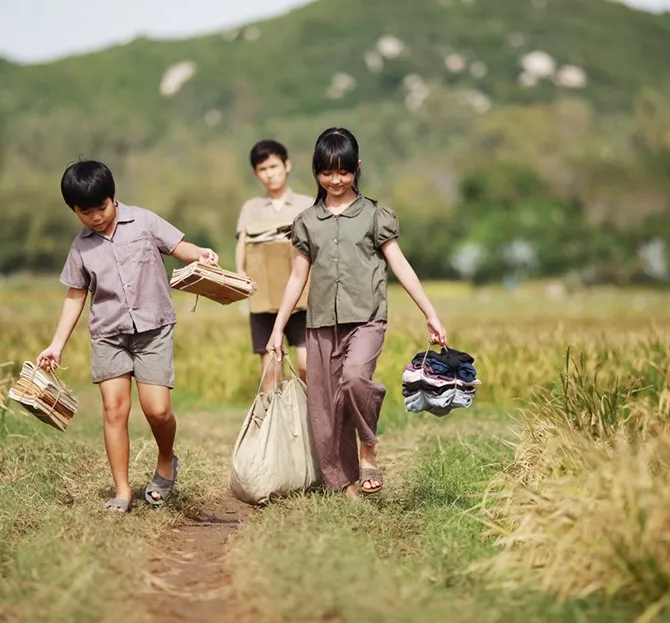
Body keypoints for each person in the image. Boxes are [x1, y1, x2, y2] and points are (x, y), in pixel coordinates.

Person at [266, 128, 448, 499]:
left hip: (366, 319)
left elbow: (400, 265)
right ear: (316, 171)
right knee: (325, 411)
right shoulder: (307, 222)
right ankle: (345, 486)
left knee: (354, 380)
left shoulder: (374, 215)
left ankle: (368, 449)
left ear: (357, 168)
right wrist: (277, 329)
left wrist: (430, 313)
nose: (336, 180)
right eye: (327, 172)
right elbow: (297, 277)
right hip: (319, 326)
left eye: (344, 172)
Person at [36, 160, 219, 513]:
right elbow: (76, 297)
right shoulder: (81, 248)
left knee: (158, 410)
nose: (96, 217)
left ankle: (166, 460)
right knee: (114, 409)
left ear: (112, 197)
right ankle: (122, 491)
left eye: (101, 207)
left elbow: (180, 246)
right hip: (108, 334)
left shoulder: (145, 222)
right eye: (84, 212)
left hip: (153, 329)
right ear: (74, 210)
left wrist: (202, 255)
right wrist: (56, 345)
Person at [235, 140, 313, 392]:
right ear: (256, 174)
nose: (270, 174)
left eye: (274, 166)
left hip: (302, 301)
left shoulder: (306, 204)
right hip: (263, 301)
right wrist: (240, 275)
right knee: (271, 369)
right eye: (263, 169)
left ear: (286, 165)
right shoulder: (251, 208)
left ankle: (313, 422)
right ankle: (273, 425)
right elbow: (244, 244)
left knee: (306, 364)